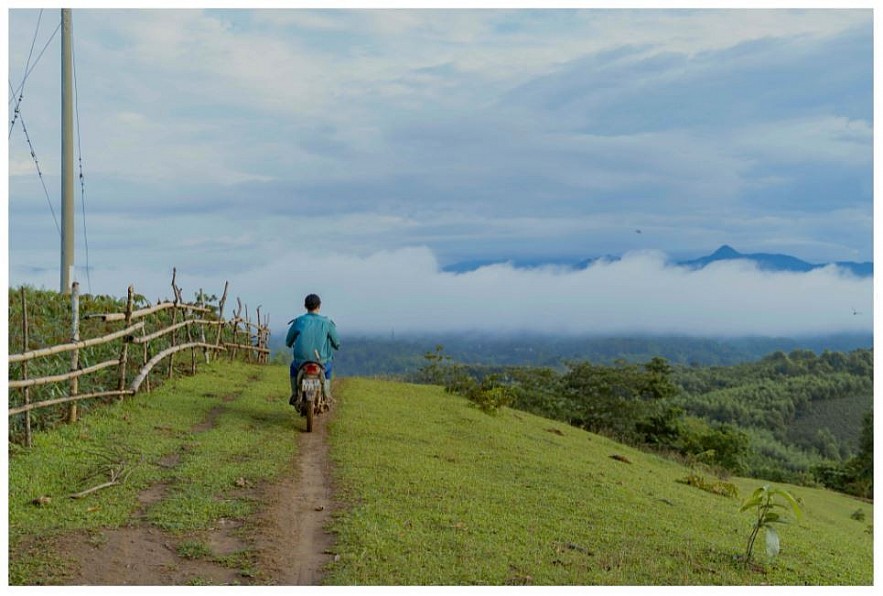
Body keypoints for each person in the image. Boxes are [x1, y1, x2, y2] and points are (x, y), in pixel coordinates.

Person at [285, 293, 340, 406]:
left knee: (293, 368)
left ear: (305, 306)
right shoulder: (327, 323)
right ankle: (327, 395)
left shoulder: (299, 321)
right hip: (322, 362)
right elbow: (337, 343)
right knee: (328, 369)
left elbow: (288, 341)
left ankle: (295, 394)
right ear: (319, 306)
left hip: (301, 362)